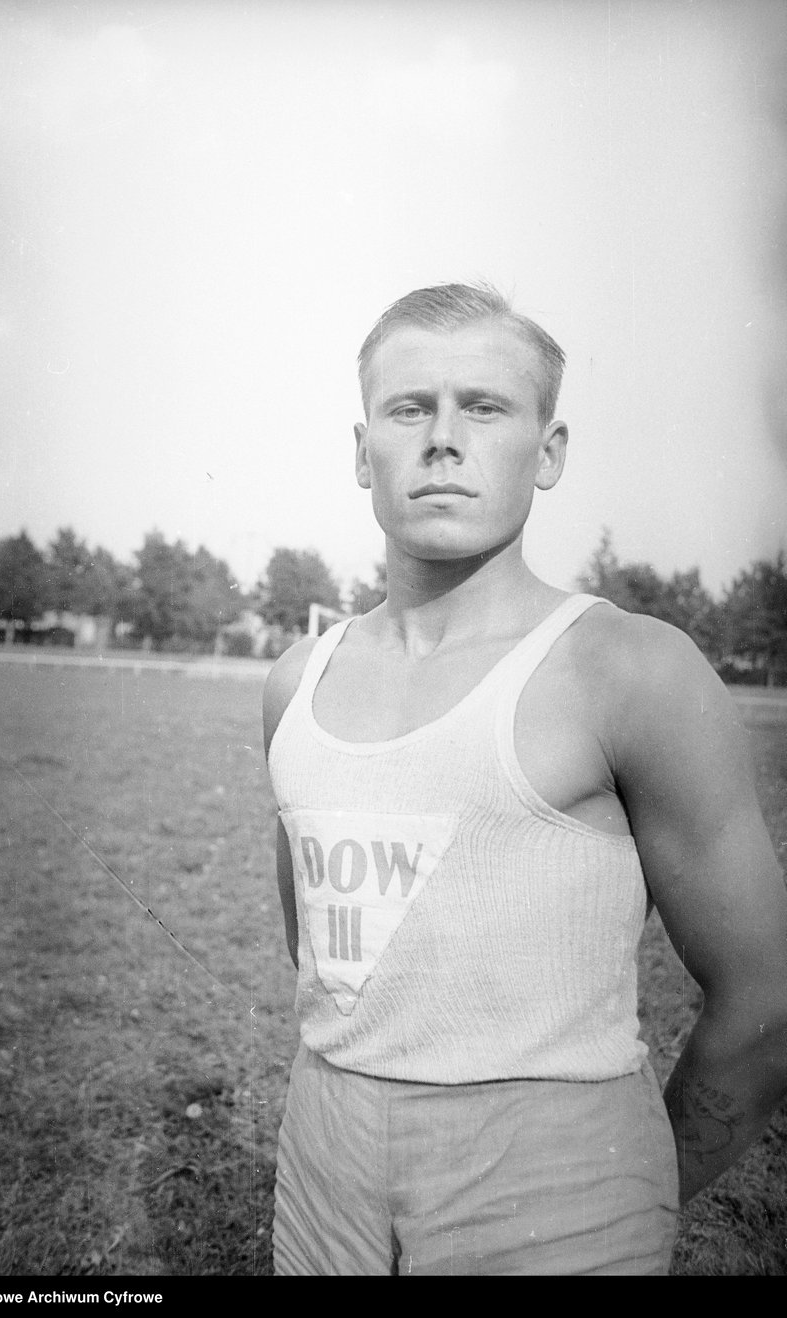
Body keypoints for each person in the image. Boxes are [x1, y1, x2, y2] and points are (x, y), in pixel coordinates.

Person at [262, 282, 787, 1276]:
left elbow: (766, 1000)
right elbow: (328, 963)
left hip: (556, 1190)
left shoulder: (628, 668)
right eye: (409, 407)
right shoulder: (297, 681)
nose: (443, 439)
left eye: (486, 407)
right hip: (323, 1174)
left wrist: (627, 1186)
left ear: (548, 453)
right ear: (360, 448)